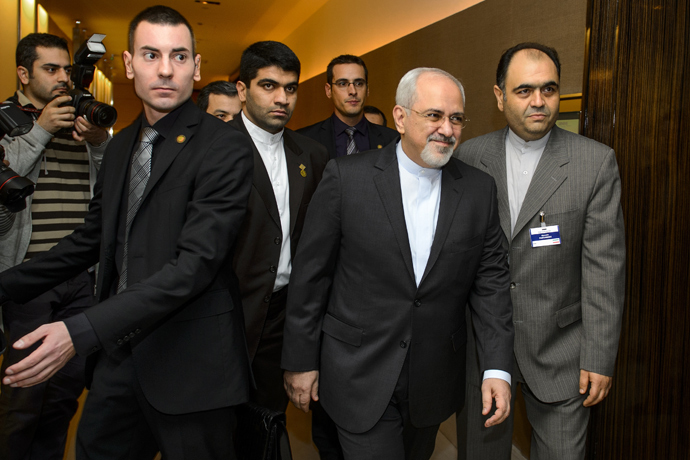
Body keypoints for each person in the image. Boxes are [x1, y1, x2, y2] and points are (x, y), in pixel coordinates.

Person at [0, 6, 254, 459]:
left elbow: (194, 266)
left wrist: (79, 331)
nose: (164, 69)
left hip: (190, 365)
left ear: (196, 68)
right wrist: (4, 287)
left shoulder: (225, 145)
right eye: (151, 54)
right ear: (128, 63)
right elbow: (90, 239)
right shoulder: (118, 145)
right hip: (118, 357)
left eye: (179, 57)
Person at [282, 67, 514, 460]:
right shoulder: (346, 178)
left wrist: (497, 369)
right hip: (358, 370)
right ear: (401, 117)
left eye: (456, 118)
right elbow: (311, 276)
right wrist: (300, 361)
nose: (447, 128)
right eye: (434, 115)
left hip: (433, 377)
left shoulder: (478, 190)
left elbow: (491, 282)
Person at [456, 43, 625, 460]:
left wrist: (599, 357)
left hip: (560, 353)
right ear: (499, 96)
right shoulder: (468, 158)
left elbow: (605, 269)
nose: (538, 102)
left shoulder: (594, 163)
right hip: (482, 349)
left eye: (548, 90)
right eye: (524, 90)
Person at [0, 32, 110, 460]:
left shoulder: (80, 118)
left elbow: (110, 188)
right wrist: (40, 130)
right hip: (28, 277)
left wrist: (100, 141)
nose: (64, 78)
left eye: (67, 69)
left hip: (81, 278)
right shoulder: (6, 119)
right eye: (51, 69)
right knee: (23, 399)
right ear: (24, 73)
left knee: (64, 397)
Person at [229, 41, 328, 412]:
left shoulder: (313, 154)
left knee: (268, 422)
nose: (282, 98)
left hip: (285, 317)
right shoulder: (213, 149)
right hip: (227, 315)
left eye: (290, 88)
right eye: (268, 86)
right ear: (242, 90)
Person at [298, 54, 398, 159]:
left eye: (359, 83)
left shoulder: (393, 140)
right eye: (342, 84)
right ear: (329, 91)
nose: (353, 91)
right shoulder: (305, 140)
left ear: (367, 89)